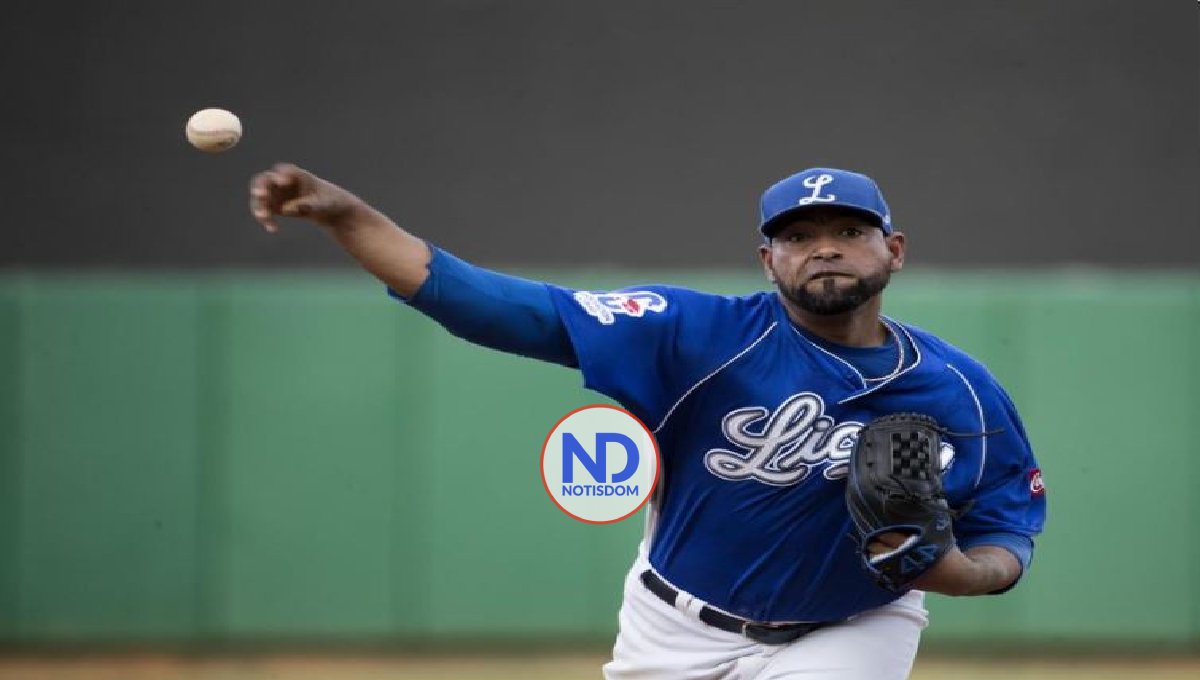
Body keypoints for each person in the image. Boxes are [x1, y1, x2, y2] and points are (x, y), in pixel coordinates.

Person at [249, 164, 1046, 680]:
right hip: (673, 624)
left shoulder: (959, 392)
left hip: (849, 626)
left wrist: (958, 573)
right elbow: (493, 309)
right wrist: (349, 217)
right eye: (797, 237)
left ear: (893, 250)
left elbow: (1009, 523)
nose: (824, 249)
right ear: (767, 261)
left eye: (848, 232)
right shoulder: (693, 334)